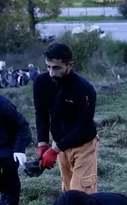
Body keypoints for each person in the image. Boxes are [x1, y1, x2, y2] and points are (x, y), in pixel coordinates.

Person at [34, 43, 100, 194]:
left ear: (70, 65)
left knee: (81, 195)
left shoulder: (84, 89)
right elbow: (41, 113)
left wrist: (54, 151)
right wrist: (42, 145)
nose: (51, 73)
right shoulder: (41, 83)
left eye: (57, 68)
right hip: (60, 144)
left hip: (84, 145)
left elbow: (83, 127)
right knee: (68, 191)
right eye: (48, 67)